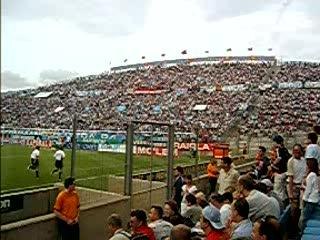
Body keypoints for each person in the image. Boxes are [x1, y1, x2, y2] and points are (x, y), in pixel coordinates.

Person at [286, 144, 306, 234]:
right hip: (294, 186)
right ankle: (292, 229)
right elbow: (290, 178)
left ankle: (297, 228)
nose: (296, 153)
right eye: (295, 151)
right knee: (294, 209)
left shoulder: (304, 161)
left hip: (301, 186)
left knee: (300, 209)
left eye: (298, 151)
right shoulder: (291, 161)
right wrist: (290, 193)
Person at [299, 158, 319, 231]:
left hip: (310, 200)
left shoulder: (311, 175)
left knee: (303, 219)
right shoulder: (315, 174)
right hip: (314, 199)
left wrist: (304, 199)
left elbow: (308, 190)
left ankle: (301, 233)